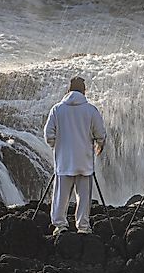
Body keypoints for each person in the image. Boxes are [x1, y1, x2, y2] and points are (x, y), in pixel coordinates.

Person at [44, 76, 106, 236]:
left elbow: (48, 135)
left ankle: (60, 225)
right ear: (84, 91)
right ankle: (83, 227)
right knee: (84, 197)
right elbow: (101, 134)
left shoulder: (57, 109)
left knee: (61, 196)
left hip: (64, 161)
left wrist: (57, 146)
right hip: (84, 162)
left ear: (69, 90)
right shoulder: (91, 110)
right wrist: (98, 145)